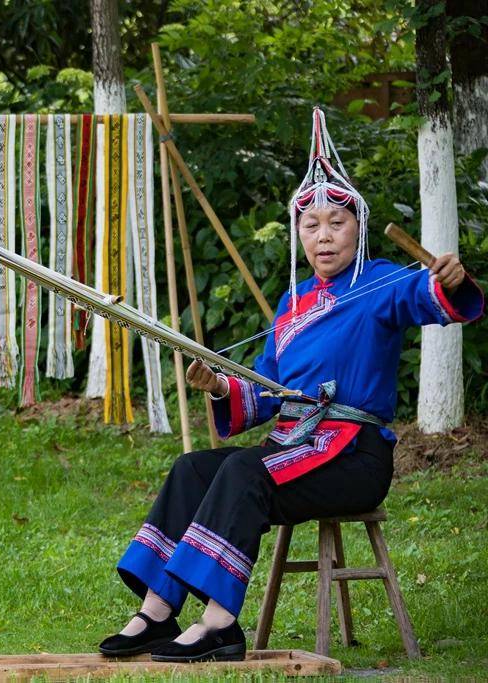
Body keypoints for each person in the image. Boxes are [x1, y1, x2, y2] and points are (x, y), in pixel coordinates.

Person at [99, 108, 484, 662]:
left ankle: (219, 623)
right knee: (192, 468)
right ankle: (157, 612)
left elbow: (439, 299)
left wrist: (450, 279)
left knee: (241, 468)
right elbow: (265, 390)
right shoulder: (293, 302)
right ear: (298, 233)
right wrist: (218, 387)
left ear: (359, 228)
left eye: (337, 223)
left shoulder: (383, 284)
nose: (323, 236)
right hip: (294, 449)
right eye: (312, 226)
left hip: (354, 459)